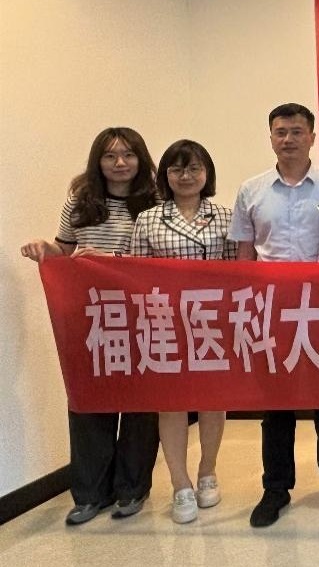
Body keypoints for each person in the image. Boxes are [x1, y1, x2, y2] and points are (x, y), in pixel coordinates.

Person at [19, 127, 161, 525]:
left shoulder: (155, 200)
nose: (120, 163)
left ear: (141, 159)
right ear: (97, 161)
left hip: (140, 313)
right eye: (110, 156)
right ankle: (90, 494)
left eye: (128, 155)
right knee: (89, 398)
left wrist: (109, 259)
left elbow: (158, 258)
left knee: (140, 404)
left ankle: (132, 489)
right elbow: (65, 250)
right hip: (90, 314)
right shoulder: (81, 200)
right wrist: (44, 249)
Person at [228, 103, 319, 528]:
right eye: (280, 132)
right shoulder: (251, 190)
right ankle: (276, 487)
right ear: (270, 138)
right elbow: (245, 254)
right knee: (276, 404)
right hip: (273, 309)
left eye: (297, 131)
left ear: (312, 137)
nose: (288, 139)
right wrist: (247, 308)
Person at [130, 139, 235, 524]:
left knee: (212, 400)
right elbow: (136, 277)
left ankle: (207, 471)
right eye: (176, 169)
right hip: (165, 321)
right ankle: (180, 483)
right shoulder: (148, 219)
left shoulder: (225, 216)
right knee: (170, 402)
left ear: (207, 173)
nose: (186, 176)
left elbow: (236, 274)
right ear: (165, 175)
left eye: (193, 168)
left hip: (211, 321)